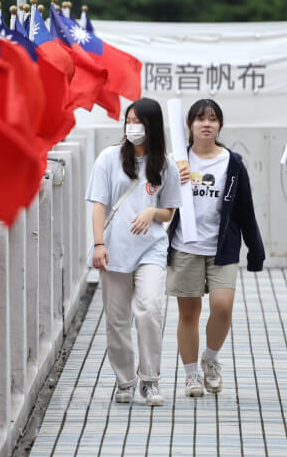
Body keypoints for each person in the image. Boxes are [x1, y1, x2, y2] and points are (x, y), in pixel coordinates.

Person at [86, 97, 181, 406]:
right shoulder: (108, 158)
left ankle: (150, 381)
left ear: (152, 126)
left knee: (150, 309)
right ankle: (125, 380)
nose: (132, 127)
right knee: (117, 320)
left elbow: (168, 212)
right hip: (114, 250)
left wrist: (151, 213)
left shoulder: (165, 166)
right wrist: (99, 243)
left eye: (138, 122)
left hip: (151, 249)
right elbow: (99, 205)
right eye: (129, 121)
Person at [167, 98, 265, 397]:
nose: (206, 124)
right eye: (200, 119)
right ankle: (191, 375)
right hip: (185, 245)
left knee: (222, 306)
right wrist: (173, 180)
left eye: (212, 119)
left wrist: (255, 250)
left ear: (220, 125)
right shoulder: (176, 160)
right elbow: (157, 200)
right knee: (189, 312)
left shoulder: (232, 163)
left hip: (222, 247)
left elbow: (245, 209)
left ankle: (209, 359)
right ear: (189, 125)